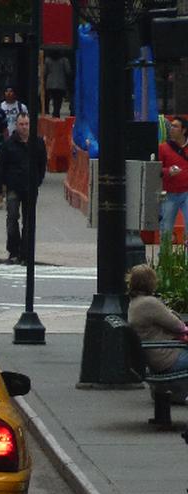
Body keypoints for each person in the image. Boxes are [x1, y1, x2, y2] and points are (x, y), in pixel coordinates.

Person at [0, 112, 47, 265]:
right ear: (16, 126)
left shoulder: (38, 143)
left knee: (29, 222)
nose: (24, 127)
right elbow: (1, 167)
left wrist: (38, 180)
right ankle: (13, 251)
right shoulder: (8, 144)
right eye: (21, 124)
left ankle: (26, 253)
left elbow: (42, 164)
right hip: (13, 187)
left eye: (26, 124)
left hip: (30, 187)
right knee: (12, 218)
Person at [128, 264, 188, 399]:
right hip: (166, 358)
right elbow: (178, 326)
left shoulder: (135, 302)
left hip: (154, 357)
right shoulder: (149, 303)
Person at [158, 116, 188, 239]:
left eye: (175, 126)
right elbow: (156, 169)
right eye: (171, 125)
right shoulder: (163, 148)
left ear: (184, 130)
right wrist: (168, 171)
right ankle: (165, 255)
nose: (171, 128)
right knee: (166, 227)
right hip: (169, 193)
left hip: (186, 191)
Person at [44, 52, 71, 119]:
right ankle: (56, 112)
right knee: (58, 99)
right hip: (61, 83)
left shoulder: (47, 60)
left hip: (50, 83)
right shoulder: (64, 60)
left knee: (53, 98)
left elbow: (45, 72)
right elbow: (68, 71)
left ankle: (54, 112)